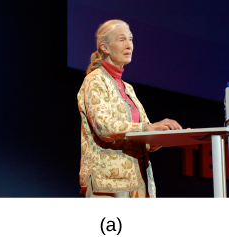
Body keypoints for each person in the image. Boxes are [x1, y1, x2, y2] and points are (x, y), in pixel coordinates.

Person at [77, 19, 183, 198]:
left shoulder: (128, 88)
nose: (129, 46)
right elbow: (104, 127)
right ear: (104, 47)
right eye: (121, 40)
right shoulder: (95, 80)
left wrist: (166, 135)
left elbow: (146, 141)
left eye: (131, 39)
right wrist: (148, 128)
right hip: (108, 182)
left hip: (139, 179)